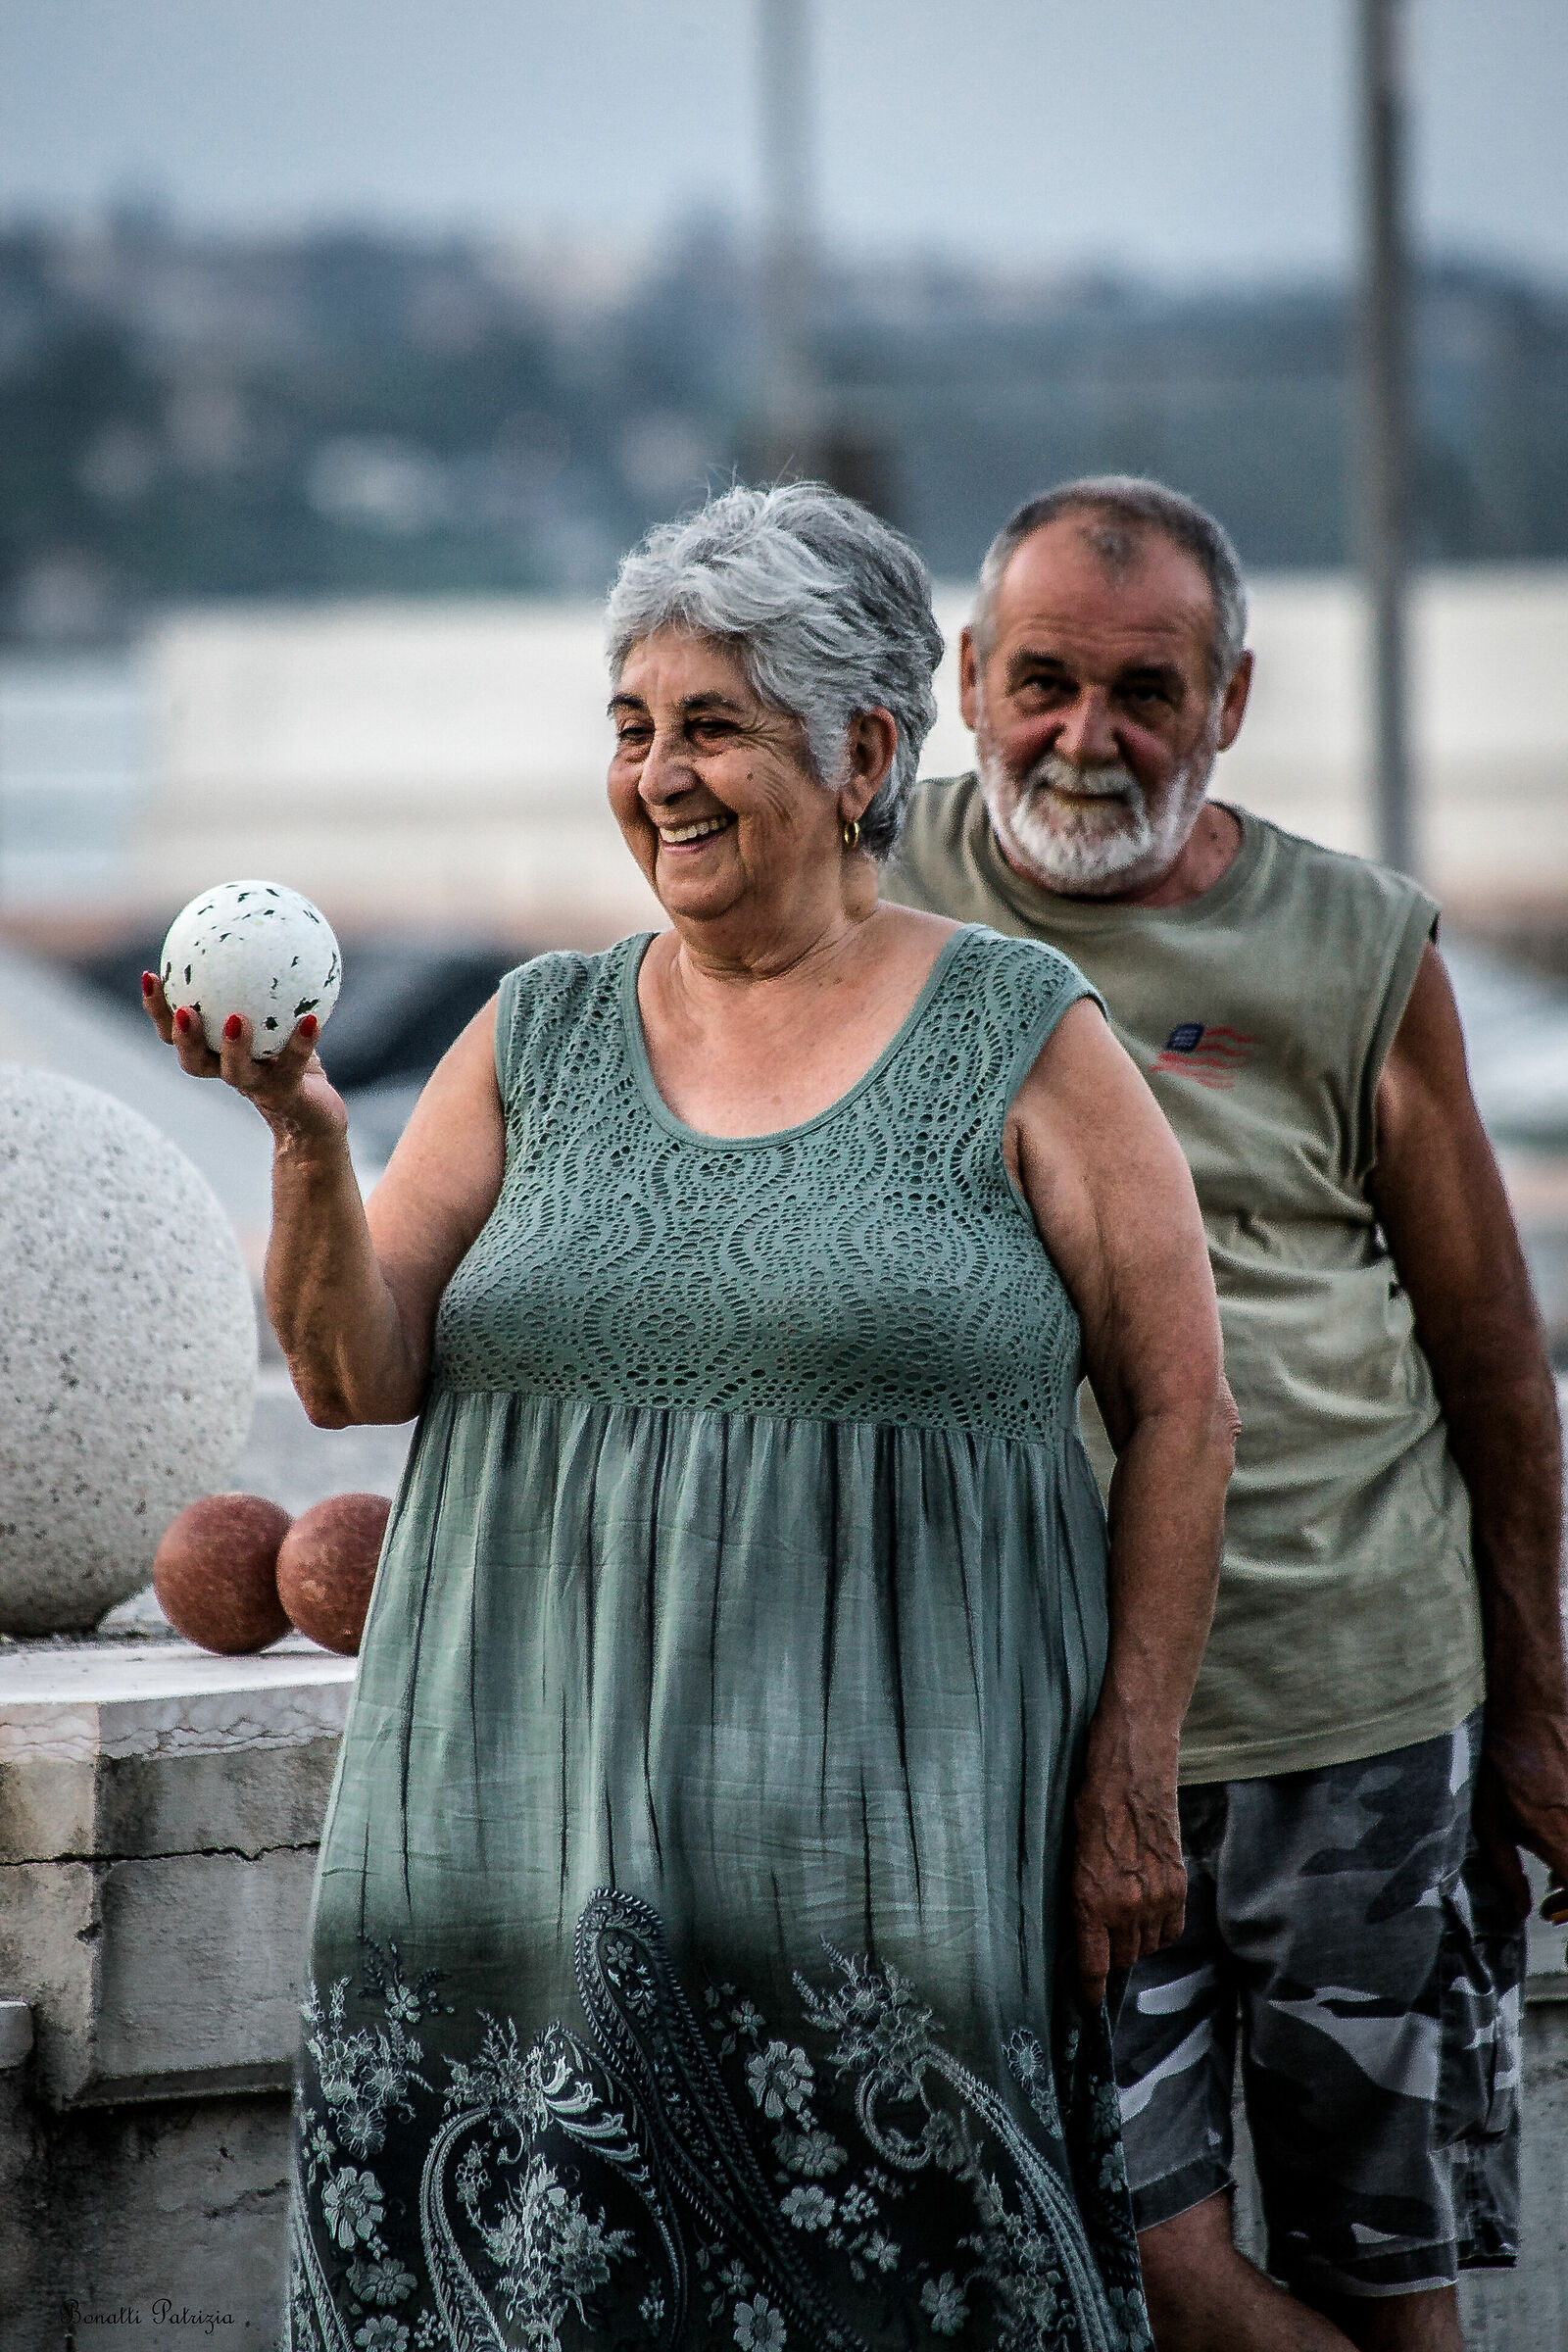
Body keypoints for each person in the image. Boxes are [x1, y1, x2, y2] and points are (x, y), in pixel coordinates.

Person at [145, 481, 1235, 2351]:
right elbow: (349, 1374)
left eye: (715, 726)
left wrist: (1131, 1780)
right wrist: (308, 1141)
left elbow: (1186, 1414)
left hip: (892, 1874)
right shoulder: (535, 1034)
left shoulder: (1021, 1031)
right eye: (634, 728)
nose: (658, 775)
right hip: (507, 1863)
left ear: (866, 751)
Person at [885, 474, 1568, 2352]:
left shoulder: (1357, 948)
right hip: (1029, 1718)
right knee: (1143, 2264)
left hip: (1352, 1702)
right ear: (961, 676)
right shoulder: (871, 899)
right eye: (1041, 682)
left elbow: (1496, 1352)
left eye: (1146, 692)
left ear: (1232, 705)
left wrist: (1538, 1708)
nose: (1085, 740)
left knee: (1391, 2275)